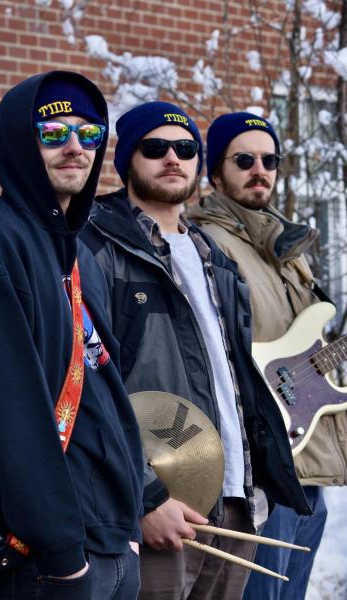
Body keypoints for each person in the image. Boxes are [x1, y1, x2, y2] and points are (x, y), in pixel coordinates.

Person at [81, 101, 311, 600]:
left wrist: (255, 485)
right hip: (161, 502)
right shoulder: (95, 247)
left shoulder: (214, 260)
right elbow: (87, 389)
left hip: (233, 501)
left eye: (184, 148)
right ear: (127, 160)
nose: (172, 158)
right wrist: (143, 497)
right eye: (155, 147)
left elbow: (237, 382)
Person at [0, 71, 144, 600]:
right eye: (54, 132)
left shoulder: (79, 253)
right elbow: (8, 413)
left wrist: (128, 529)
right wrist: (64, 557)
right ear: (19, 139)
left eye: (89, 133)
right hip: (52, 564)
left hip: (109, 543)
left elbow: (107, 390)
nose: (75, 147)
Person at [189, 111, 347, 599]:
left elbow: (305, 344)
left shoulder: (284, 244)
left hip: (306, 463)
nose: (260, 169)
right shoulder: (206, 244)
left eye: (269, 159)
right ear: (216, 173)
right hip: (261, 472)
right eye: (244, 159)